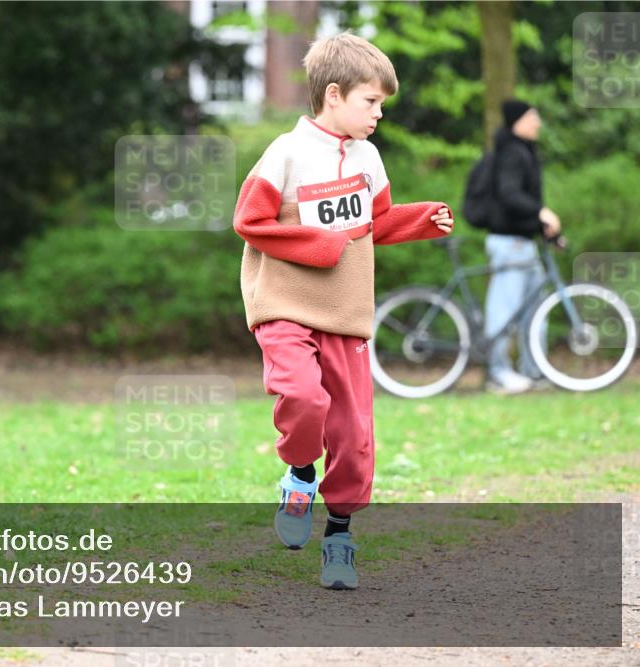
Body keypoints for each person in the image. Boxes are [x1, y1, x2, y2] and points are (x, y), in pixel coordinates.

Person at [232, 32, 454, 590]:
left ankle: (339, 537)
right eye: (371, 101)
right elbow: (249, 222)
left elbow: (372, 224)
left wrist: (422, 219)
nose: (379, 113)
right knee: (304, 397)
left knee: (354, 435)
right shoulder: (286, 152)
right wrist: (318, 244)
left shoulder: (368, 157)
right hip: (284, 305)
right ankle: (300, 475)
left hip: (346, 314)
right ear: (334, 94)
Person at [483, 99, 561, 395]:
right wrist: (541, 212)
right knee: (504, 311)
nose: (537, 122)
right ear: (517, 121)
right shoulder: (512, 152)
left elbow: (521, 202)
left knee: (536, 310)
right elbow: (510, 194)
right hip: (509, 243)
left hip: (524, 242)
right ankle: (498, 373)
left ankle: (534, 371)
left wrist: (546, 231)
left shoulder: (523, 150)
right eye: (532, 117)